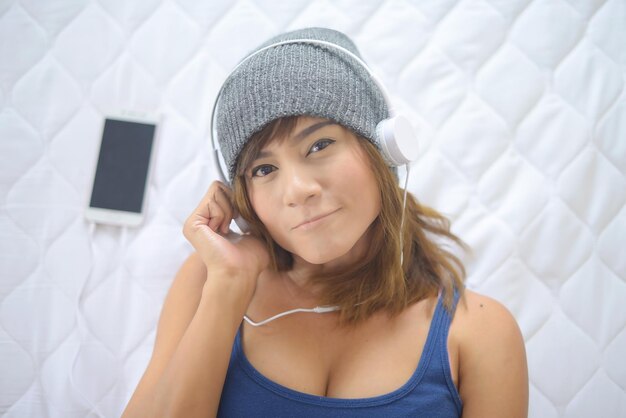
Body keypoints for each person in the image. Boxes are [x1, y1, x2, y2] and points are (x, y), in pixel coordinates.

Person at [121, 27, 528, 418]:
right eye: (264, 169)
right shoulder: (207, 283)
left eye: (319, 144)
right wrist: (227, 286)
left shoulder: (481, 333)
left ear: (384, 148)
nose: (297, 190)